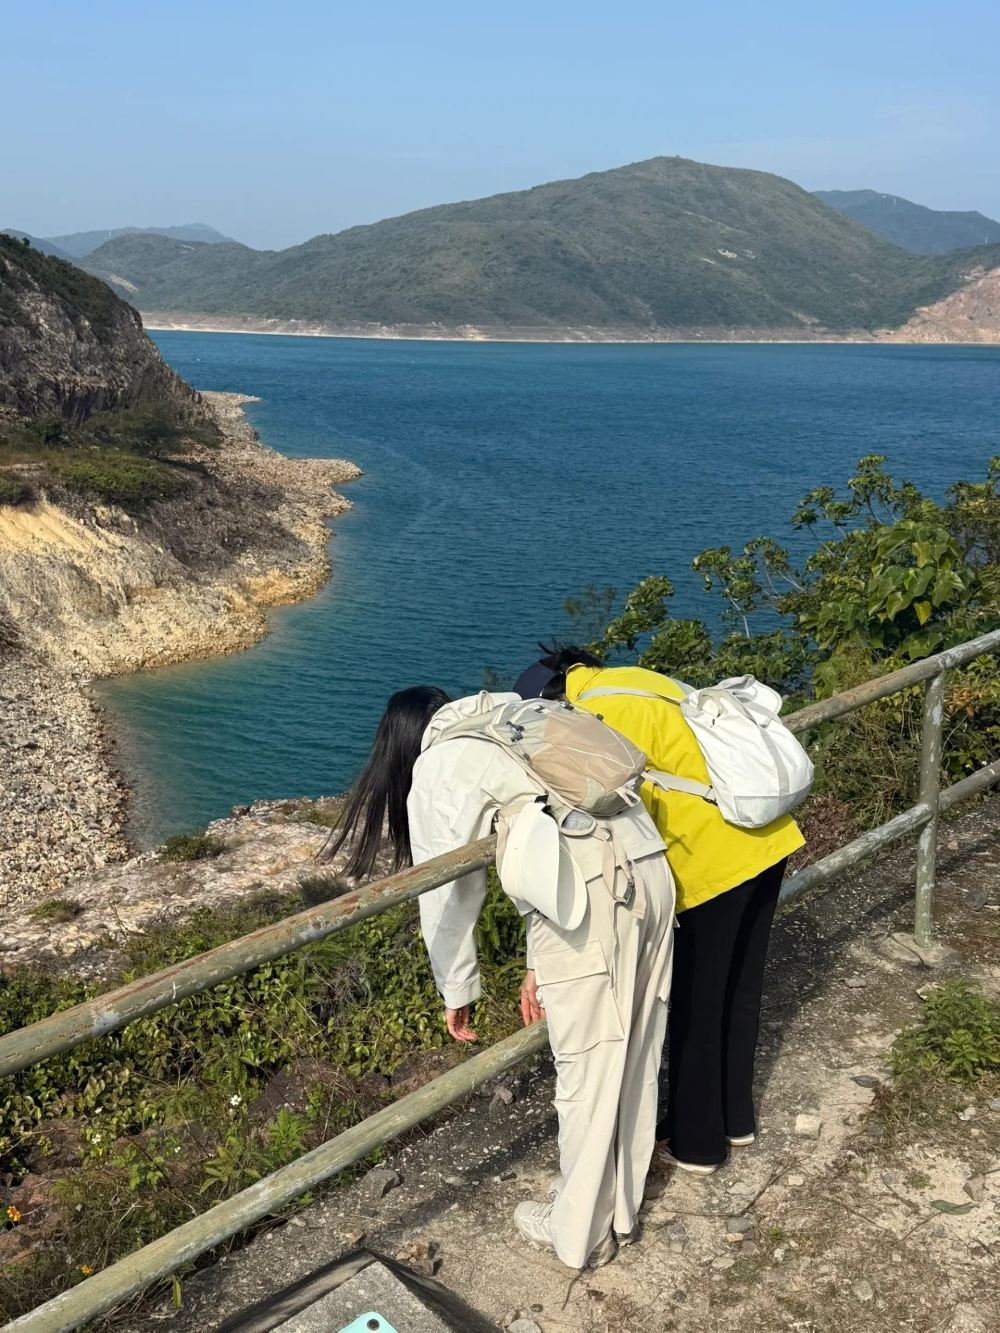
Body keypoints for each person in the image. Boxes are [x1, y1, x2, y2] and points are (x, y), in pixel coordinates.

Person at [323, 685, 675, 1269]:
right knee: (636, 1047)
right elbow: (555, 824)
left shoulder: (440, 762)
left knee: (585, 1070)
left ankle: (580, 1235)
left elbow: (447, 893)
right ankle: (618, 1210)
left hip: (592, 900)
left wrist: (457, 988)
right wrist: (538, 963)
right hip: (649, 869)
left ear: (399, 744)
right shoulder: (511, 714)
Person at [514, 648, 805, 1174]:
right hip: (766, 836)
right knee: (740, 988)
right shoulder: (636, 680)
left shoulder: (586, 717)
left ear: (548, 700)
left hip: (712, 858)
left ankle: (697, 1144)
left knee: (696, 1003)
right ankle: (734, 1120)